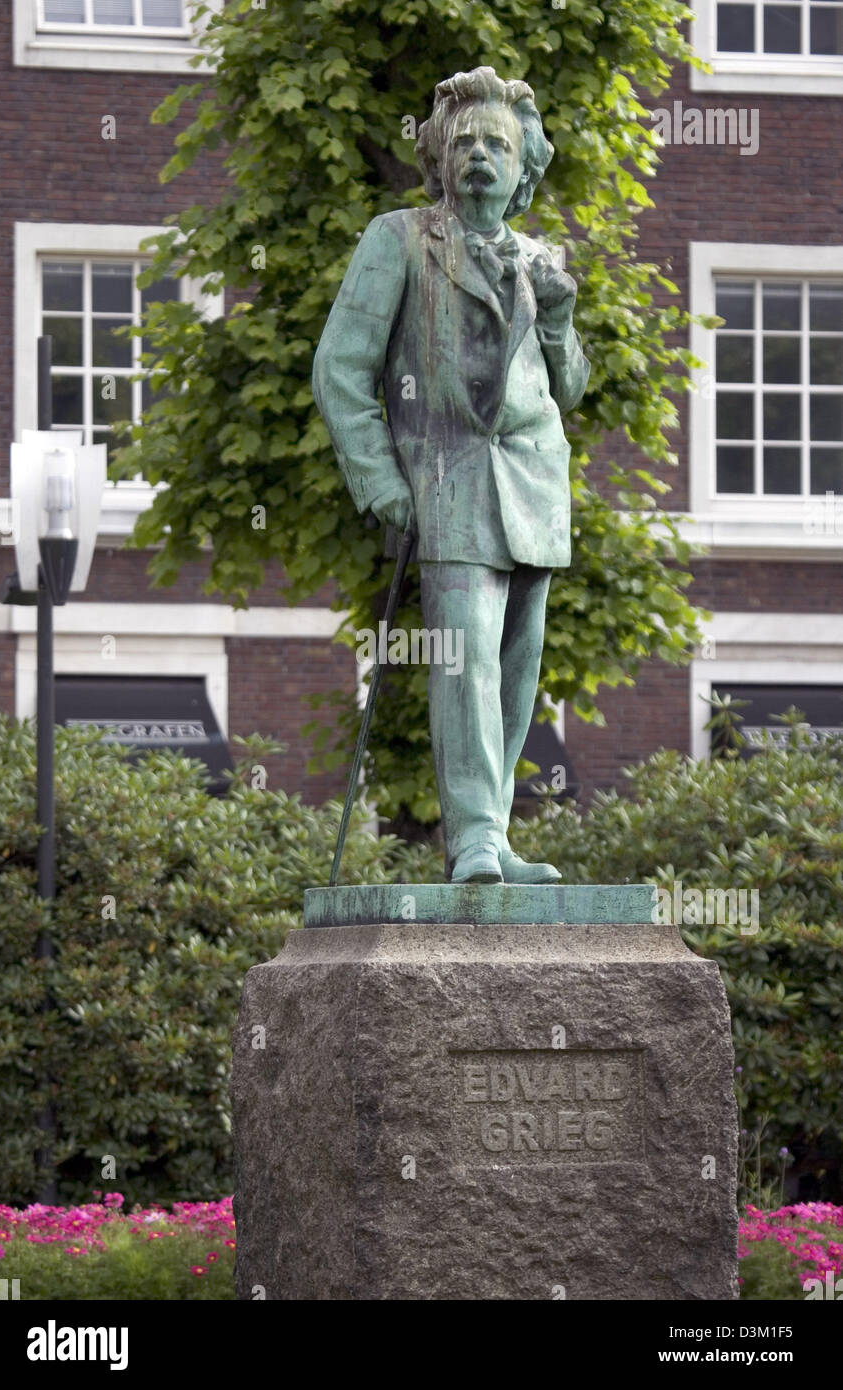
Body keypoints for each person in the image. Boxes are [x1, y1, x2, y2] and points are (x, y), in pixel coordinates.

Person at [313, 66, 589, 884]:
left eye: (497, 144)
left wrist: (564, 316)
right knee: (462, 657)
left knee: (515, 666)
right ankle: (472, 836)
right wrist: (382, 480)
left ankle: (495, 834)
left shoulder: (541, 259)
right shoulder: (396, 239)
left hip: (535, 485)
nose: (479, 156)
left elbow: (568, 388)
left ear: (524, 167)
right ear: (438, 158)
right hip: (447, 479)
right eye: (464, 141)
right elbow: (339, 368)